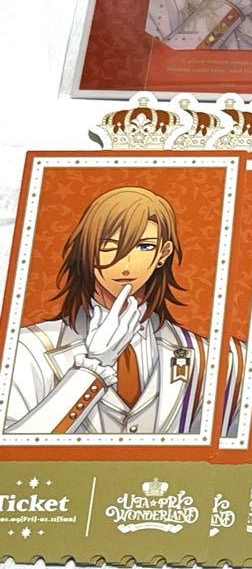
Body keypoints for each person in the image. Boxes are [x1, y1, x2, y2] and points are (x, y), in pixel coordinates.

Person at [3, 187, 210, 436]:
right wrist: (93, 368)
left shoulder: (201, 354)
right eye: (108, 246)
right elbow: (9, 448)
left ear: (162, 254)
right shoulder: (28, 347)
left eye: (144, 246)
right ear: (88, 249)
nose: (126, 264)